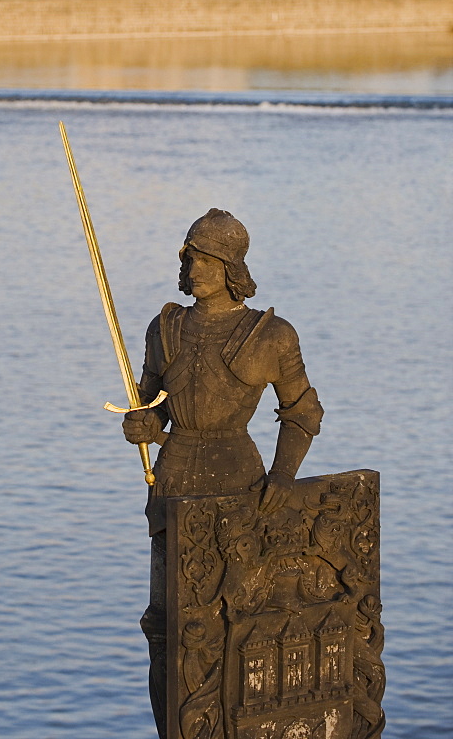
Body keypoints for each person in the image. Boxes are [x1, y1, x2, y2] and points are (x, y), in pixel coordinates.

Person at [122, 209, 323, 739]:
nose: (194, 268)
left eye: (206, 258)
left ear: (232, 266)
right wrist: (143, 421)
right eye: (189, 256)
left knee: (239, 622)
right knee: (163, 626)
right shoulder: (163, 328)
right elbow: (153, 402)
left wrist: (283, 476)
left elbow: (303, 411)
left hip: (240, 481)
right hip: (172, 481)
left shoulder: (272, 335)